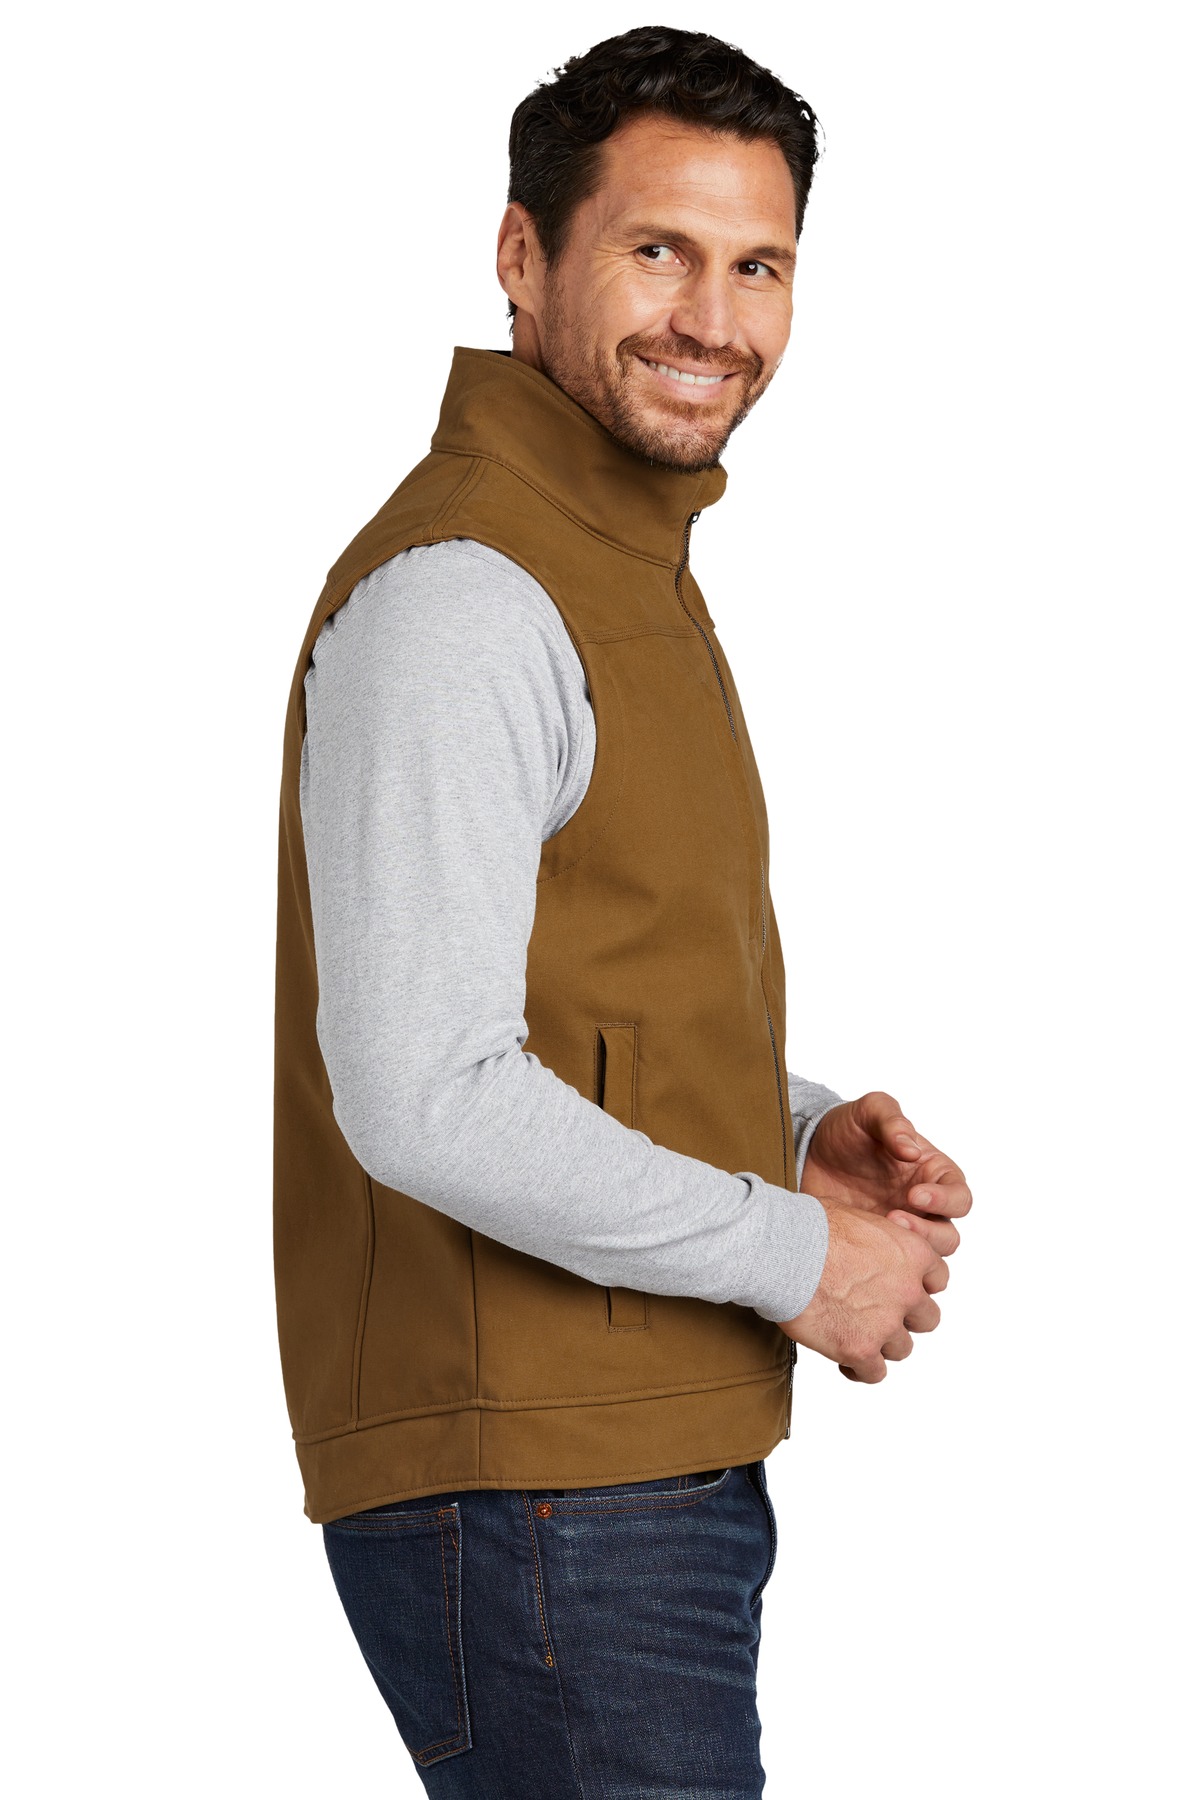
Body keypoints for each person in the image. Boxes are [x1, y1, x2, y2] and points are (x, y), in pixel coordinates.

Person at [273, 24, 972, 1796]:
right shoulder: (468, 595)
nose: (713, 320)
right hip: (543, 1490)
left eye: (760, 267)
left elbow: (574, 992)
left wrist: (781, 1130)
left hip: (613, 1470)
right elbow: (425, 1089)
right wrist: (799, 1258)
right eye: (660, 250)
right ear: (524, 255)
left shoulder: (613, 567)